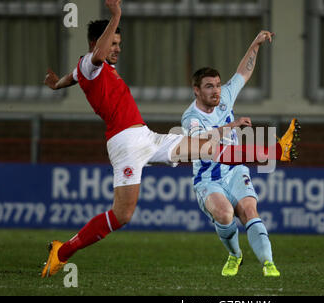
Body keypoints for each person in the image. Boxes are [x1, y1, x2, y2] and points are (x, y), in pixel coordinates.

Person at [41, 0, 300, 278]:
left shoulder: (85, 69)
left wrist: (57, 84)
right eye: (112, 42)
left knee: (208, 150)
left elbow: (73, 76)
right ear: (96, 44)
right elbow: (91, 61)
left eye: (119, 43)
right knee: (122, 215)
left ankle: (276, 151)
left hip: (145, 136)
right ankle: (63, 251)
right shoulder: (93, 64)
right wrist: (116, 14)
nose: (117, 48)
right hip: (125, 144)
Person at [181, 31, 298, 277]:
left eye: (217, 85)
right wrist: (230, 127)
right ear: (196, 90)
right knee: (224, 214)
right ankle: (235, 255)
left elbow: (243, 73)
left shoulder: (224, 97)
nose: (216, 91)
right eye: (209, 86)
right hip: (208, 178)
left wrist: (255, 44)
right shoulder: (191, 118)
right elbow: (202, 145)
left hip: (234, 170)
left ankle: (268, 263)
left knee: (248, 210)